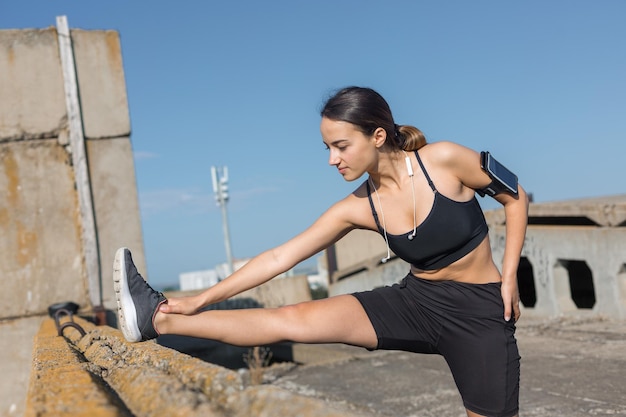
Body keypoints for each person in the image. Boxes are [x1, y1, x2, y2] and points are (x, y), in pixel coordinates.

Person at [113, 86, 528, 417]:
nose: (332, 159)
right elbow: (280, 258)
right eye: (327, 148)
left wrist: (508, 276)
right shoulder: (357, 206)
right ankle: (156, 318)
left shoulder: (443, 160)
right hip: (416, 302)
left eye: (341, 145)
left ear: (377, 136)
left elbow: (516, 197)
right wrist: (200, 299)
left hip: (480, 312)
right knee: (291, 319)